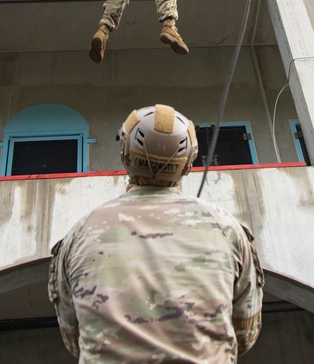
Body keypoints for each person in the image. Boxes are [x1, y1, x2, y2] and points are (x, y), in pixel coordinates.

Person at [48, 104, 264, 363]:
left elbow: (74, 337)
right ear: (188, 162)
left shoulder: (80, 234)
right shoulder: (227, 229)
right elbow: (245, 334)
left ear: (125, 154)